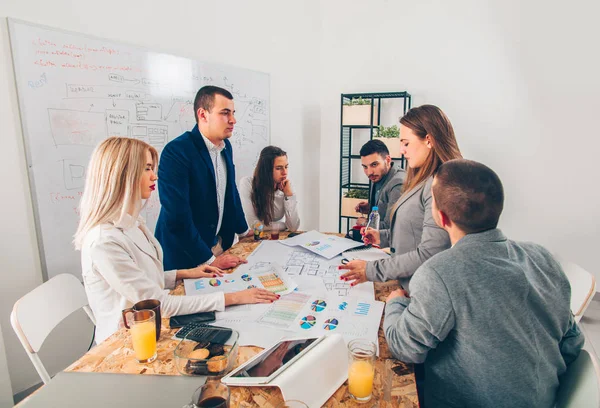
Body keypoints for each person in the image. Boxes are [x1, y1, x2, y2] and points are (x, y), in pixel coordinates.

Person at [384, 159, 584, 408]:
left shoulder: (438, 273)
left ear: (441, 217)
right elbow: (573, 343)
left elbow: (405, 347)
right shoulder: (543, 257)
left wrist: (395, 304)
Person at [74, 137, 278, 344]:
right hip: (125, 342)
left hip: (149, 328)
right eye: (146, 169)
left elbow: (142, 278)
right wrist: (234, 297)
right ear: (123, 175)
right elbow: (160, 303)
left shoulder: (131, 222)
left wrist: (185, 273)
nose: (155, 176)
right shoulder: (103, 241)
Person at [340, 105, 462, 290]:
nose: (402, 150)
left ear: (428, 140)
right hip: (407, 284)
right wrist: (381, 236)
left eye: (406, 143)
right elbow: (414, 233)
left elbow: (430, 253)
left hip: (422, 290)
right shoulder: (422, 180)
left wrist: (370, 270)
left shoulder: (438, 185)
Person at [155, 86, 250, 271]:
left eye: (233, 113)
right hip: (183, 256)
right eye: (225, 113)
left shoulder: (225, 147)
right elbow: (177, 216)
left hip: (213, 246)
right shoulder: (176, 152)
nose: (233, 120)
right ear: (203, 114)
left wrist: (245, 231)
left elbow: (230, 192)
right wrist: (209, 260)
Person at [239, 146, 300, 232]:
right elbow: (254, 225)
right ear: (266, 170)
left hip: (279, 238)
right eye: (278, 168)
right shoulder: (248, 183)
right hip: (256, 237)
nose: (285, 173)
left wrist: (289, 196)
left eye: (286, 167)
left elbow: (293, 227)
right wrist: (284, 226)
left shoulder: (287, 186)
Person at [354, 139, 405, 229]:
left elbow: (391, 227)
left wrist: (365, 223)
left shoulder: (398, 183)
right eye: (365, 167)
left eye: (374, 165)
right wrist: (370, 208)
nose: (369, 172)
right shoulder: (377, 176)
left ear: (388, 160)